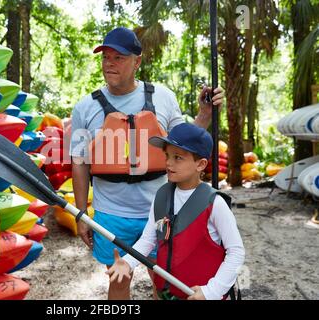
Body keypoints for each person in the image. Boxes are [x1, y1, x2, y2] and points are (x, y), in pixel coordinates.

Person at [69, 26, 224, 300]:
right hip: (110, 214)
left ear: (137, 62)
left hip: (161, 212)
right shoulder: (85, 107)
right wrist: (81, 213)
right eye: (106, 57)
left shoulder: (163, 97)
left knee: (163, 285)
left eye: (119, 57)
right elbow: (79, 163)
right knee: (119, 280)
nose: (109, 64)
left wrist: (205, 114)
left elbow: (185, 143)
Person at [106, 123, 245, 300]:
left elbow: (236, 252)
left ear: (200, 164)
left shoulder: (215, 203)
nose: (169, 163)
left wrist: (211, 291)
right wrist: (127, 262)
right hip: (168, 295)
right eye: (167, 156)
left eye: (178, 157)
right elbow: (149, 239)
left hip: (202, 295)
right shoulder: (162, 196)